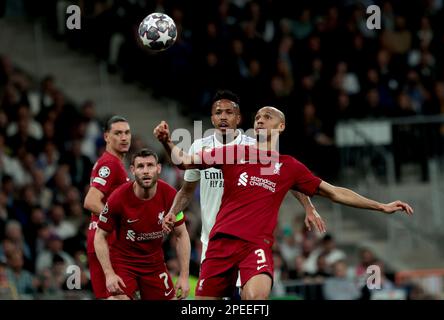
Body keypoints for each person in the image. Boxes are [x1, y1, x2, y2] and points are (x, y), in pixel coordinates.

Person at [153, 106, 413, 300]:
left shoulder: (289, 166)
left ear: (281, 126)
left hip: (255, 246)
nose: (260, 120)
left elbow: (334, 192)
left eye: (267, 116)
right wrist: (166, 141)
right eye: (257, 118)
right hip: (220, 243)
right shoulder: (234, 152)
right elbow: (184, 161)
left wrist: (380, 206)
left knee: (255, 300)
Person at [169, 90, 324, 298]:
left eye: (228, 112)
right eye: (218, 112)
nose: (223, 117)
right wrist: (172, 212)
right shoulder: (199, 147)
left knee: (250, 298)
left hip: (246, 240)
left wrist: (308, 206)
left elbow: (288, 176)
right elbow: (186, 191)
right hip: (212, 240)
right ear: (212, 118)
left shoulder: (252, 146)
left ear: (238, 118)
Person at [94, 149, 190, 300]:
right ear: (132, 170)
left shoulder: (171, 195)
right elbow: (99, 236)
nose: (146, 171)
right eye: (140, 166)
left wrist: (184, 276)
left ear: (158, 168)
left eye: (150, 165)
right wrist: (109, 274)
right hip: (124, 262)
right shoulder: (118, 197)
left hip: (154, 264)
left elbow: (182, 234)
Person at [83, 116, 131, 299]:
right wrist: (117, 223)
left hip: (103, 240)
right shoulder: (110, 163)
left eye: (127, 132)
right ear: (106, 137)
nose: (124, 137)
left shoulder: (114, 162)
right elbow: (91, 201)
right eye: (118, 133)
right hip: (106, 242)